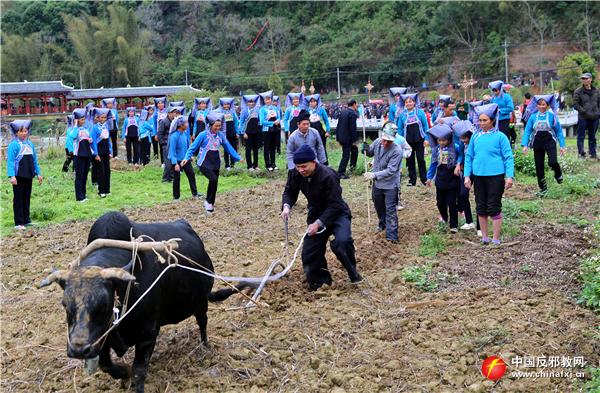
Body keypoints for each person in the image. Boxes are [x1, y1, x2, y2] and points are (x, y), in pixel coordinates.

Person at [281, 144, 362, 291]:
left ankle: (353, 272)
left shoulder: (328, 176)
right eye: (298, 167)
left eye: (304, 166)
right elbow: (290, 191)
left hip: (337, 213)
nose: (301, 170)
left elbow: (335, 205)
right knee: (310, 252)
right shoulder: (295, 174)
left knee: (342, 243)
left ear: (313, 162)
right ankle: (320, 283)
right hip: (316, 211)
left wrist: (318, 223)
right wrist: (287, 206)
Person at [464, 104, 514, 245]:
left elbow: (508, 157)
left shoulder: (500, 137)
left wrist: (509, 176)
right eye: (480, 120)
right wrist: (467, 175)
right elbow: (469, 156)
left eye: (484, 120)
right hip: (479, 175)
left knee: (493, 206)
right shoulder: (475, 137)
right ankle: (484, 237)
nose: (481, 123)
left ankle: (496, 238)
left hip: (496, 176)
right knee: (481, 206)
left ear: (492, 120)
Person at [183, 111, 241, 213]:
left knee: (215, 182)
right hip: (204, 162)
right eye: (216, 126)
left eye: (219, 126)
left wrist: (237, 157)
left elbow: (228, 147)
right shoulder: (203, 135)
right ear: (210, 125)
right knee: (213, 179)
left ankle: (210, 204)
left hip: (215, 162)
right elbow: (192, 148)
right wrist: (186, 158)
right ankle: (208, 201)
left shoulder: (221, 135)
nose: (218, 128)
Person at [363, 122, 403, 242]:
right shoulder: (377, 142)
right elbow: (371, 152)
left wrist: (373, 175)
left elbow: (391, 171)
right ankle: (383, 224)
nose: (385, 143)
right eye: (384, 140)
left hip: (390, 185)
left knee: (390, 209)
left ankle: (392, 235)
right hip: (377, 184)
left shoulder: (397, 151)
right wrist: (366, 149)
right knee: (379, 205)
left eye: (388, 141)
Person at [522, 94, 566, 195]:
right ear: (536, 105)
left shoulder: (552, 116)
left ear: (547, 105)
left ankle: (558, 174)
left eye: (543, 104)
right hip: (537, 143)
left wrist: (562, 146)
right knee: (539, 167)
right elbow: (527, 131)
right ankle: (543, 189)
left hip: (550, 142)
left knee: (553, 162)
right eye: (539, 104)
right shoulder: (533, 117)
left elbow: (559, 132)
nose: (541, 106)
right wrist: (525, 145)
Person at [426, 124, 463, 233]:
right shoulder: (436, 150)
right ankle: (444, 217)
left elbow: (461, 155)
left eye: (444, 140)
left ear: (449, 140)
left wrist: (458, 164)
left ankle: (454, 225)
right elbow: (433, 164)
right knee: (440, 202)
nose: (441, 143)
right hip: (440, 178)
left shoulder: (455, 147)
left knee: (452, 203)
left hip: (452, 177)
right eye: (439, 140)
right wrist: (429, 177)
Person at [6, 120, 42, 229]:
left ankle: (26, 220)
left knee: (26, 198)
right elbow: (11, 161)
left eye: (26, 131)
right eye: (21, 131)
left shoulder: (30, 144)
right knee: (18, 199)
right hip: (18, 176)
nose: (24, 133)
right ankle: (19, 222)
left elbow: (34, 160)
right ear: (16, 133)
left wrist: (38, 173)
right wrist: (12, 176)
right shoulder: (14, 145)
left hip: (28, 175)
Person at [396, 93, 429, 186]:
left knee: (421, 159)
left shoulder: (420, 112)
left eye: (410, 101)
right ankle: (412, 180)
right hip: (407, 141)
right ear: (404, 104)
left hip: (419, 139)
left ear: (414, 102)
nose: (408, 103)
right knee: (409, 160)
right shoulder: (402, 115)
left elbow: (426, 125)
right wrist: (400, 141)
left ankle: (424, 179)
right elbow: (400, 128)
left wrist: (426, 139)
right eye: (406, 102)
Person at [453, 120, 479, 233]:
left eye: (465, 138)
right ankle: (469, 221)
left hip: (478, 171)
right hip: (466, 171)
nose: (463, 140)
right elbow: (461, 155)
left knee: (479, 198)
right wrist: (459, 164)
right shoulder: (462, 144)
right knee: (463, 194)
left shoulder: (477, 142)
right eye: (461, 138)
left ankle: (480, 226)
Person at [168, 116, 199, 201]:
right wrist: (175, 164)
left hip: (185, 159)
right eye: (185, 123)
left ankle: (195, 193)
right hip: (176, 161)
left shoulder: (185, 134)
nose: (187, 124)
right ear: (180, 125)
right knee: (176, 178)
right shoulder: (174, 136)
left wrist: (189, 156)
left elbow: (187, 146)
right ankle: (176, 197)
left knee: (191, 175)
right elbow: (172, 151)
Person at [573, 72, 600, 159]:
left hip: (594, 117)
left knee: (592, 136)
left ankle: (593, 153)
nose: (584, 80)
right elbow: (576, 105)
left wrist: (598, 113)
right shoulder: (578, 91)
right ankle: (581, 153)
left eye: (586, 78)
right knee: (581, 136)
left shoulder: (596, 91)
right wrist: (584, 111)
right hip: (583, 117)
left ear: (591, 79)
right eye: (583, 79)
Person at [72, 108, 96, 202]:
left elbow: (89, 139)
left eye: (83, 119)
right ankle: (79, 197)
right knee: (79, 176)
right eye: (81, 119)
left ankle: (84, 195)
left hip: (87, 155)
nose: (83, 121)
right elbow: (73, 136)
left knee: (85, 176)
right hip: (78, 156)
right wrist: (74, 125)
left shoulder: (86, 129)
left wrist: (90, 140)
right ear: (77, 120)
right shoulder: (74, 129)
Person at [91, 108, 113, 197]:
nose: (103, 119)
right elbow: (93, 142)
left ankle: (107, 190)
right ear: (97, 118)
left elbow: (109, 140)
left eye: (105, 118)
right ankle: (101, 191)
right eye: (102, 117)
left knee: (107, 171)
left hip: (106, 151)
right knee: (101, 172)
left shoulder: (106, 127)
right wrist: (96, 154)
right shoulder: (95, 128)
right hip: (99, 152)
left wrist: (110, 151)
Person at [336, 99, 359, 179]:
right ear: (354, 104)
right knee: (346, 155)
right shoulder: (352, 114)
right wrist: (354, 140)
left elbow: (338, 125)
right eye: (356, 105)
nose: (357, 106)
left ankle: (352, 168)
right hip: (347, 138)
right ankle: (340, 172)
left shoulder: (343, 111)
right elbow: (353, 128)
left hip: (342, 136)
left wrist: (338, 137)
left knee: (354, 150)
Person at [158, 106, 182, 183]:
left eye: (175, 112)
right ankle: (165, 179)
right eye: (173, 112)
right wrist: (163, 143)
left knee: (173, 161)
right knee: (167, 162)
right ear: (169, 113)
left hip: (173, 144)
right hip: (166, 144)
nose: (175, 114)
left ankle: (171, 178)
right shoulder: (163, 121)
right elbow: (160, 133)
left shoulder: (175, 121)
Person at [258, 90, 281, 171]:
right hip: (266, 130)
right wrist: (272, 123)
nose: (268, 101)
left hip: (275, 130)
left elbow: (279, 117)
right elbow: (262, 121)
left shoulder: (275, 108)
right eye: (266, 99)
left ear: (271, 100)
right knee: (267, 147)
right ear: (264, 100)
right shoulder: (262, 109)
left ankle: (273, 164)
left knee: (273, 147)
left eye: (269, 99)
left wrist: (278, 120)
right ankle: (268, 165)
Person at [305, 94, 331, 165]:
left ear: (316, 102)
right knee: (312, 146)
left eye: (314, 101)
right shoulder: (307, 110)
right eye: (311, 101)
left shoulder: (321, 110)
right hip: (311, 131)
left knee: (322, 147)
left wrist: (328, 131)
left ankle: (325, 163)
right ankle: (313, 163)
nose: (312, 103)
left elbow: (326, 121)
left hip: (322, 131)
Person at [488, 80, 515, 145]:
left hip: (504, 120)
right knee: (495, 136)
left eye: (496, 90)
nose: (494, 92)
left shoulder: (506, 97)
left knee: (504, 136)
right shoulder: (493, 98)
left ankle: (507, 149)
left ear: (500, 89)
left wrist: (500, 110)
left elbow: (511, 108)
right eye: (493, 90)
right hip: (495, 120)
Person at [239, 94, 261, 171]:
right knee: (248, 149)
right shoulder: (244, 111)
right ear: (247, 103)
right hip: (247, 133)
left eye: (253, 102)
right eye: (250, 102)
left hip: (256, 132)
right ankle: (249, 166)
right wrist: (243, 132)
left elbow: (259, 121)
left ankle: (255, 165)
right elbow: (241, 122)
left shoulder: (257, 110)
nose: (251, 103)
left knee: (255, 149)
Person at [216, 97, 240, 170]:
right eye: (225, 104)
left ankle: (233, 165)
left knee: (233, 148)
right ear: (222, 105)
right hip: (224, 134)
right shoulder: (220, 112)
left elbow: (236, 123)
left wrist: (237, 132)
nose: (226, 106)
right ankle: (227, 165)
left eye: (228, 104)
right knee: (226, 149)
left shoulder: (232, 112)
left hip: (232, 133)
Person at [393, 130, 412, 211]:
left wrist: (402, 154)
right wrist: (373, 162)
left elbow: (408, 149)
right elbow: (378, 153)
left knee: (396, 185)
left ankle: (397, 202)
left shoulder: (400, 139)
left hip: (397, 167)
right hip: (384, 168)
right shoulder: (382, 139)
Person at [153, 97, 169, 161]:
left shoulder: (167, 112)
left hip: (167, 131)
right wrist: (155, 134)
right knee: (161, 147)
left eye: (161, 103)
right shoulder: (156, 113)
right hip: (160, 132)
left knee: (168, 146)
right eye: (158, 103)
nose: (160, 105)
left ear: (164, 104)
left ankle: (169, 160)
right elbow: (154, 124)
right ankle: (163, 162)